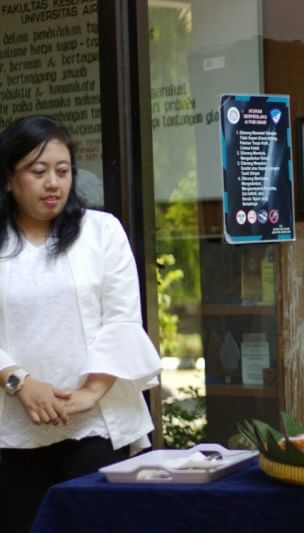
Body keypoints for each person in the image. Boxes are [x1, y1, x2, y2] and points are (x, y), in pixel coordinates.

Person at [0, 115, 162, 532]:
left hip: (96, 422)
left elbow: (123, 318)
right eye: (38, 172)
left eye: (63, 170)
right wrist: (18, 380)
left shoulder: (101, 231)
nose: (53, 183)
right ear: (8, 179)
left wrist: (92, 392)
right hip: (10, 430)